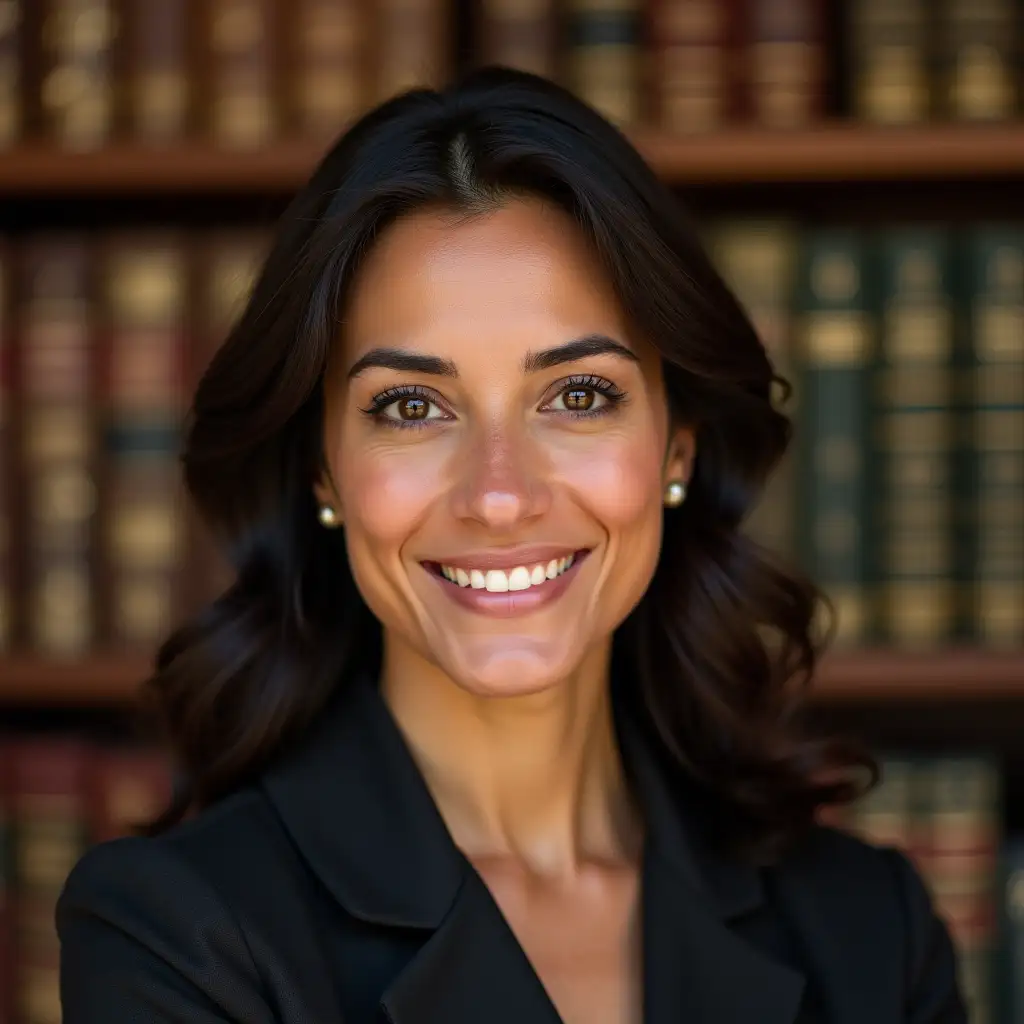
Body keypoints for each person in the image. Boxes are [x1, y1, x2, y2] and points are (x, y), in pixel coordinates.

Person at [57, 68, 965, 1024]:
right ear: (322, 470)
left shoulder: (871, 931)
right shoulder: (176, 935)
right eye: (411, 407)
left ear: (677, 447)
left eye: (578, 396)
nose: (499, 496)